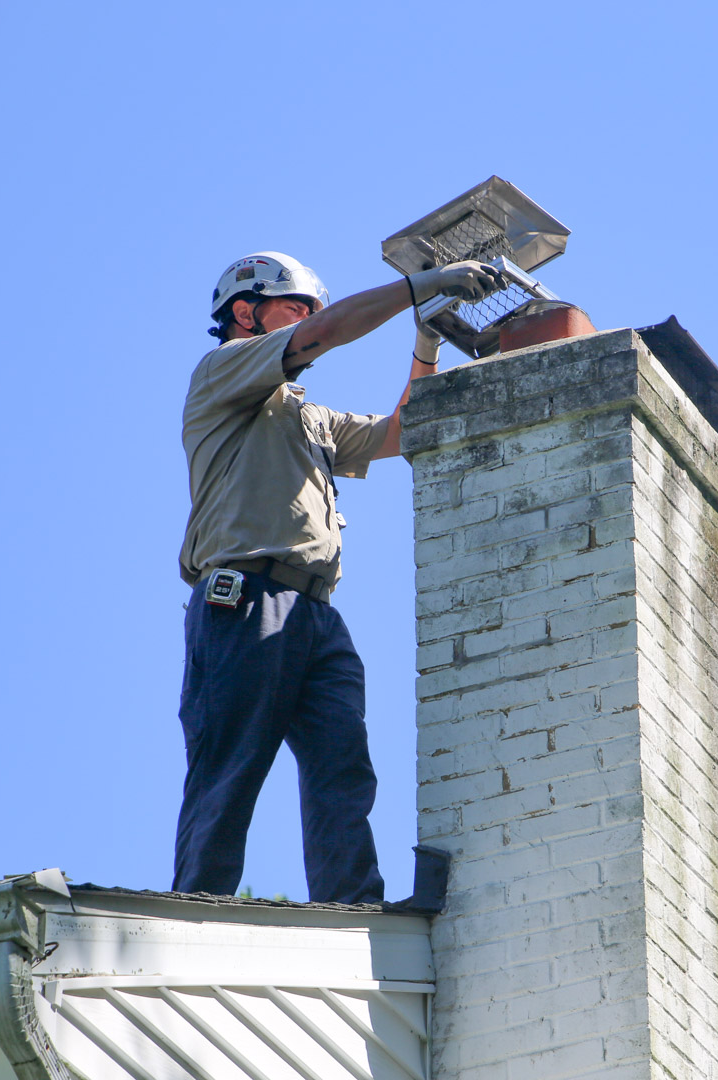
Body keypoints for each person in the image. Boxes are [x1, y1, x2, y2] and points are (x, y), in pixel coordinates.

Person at [173, 250, 506, 903]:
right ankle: (193, 915)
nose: (309, 318)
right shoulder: (223, 371)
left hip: (314, 614)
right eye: (295, 305)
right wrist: (416, 288)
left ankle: (353, 909)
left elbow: (404, 431)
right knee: (230, 767)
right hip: (246, 600)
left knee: (342, 769)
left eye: (309, 309)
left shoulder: (307, 416)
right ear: (245, 311)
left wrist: (425, 341)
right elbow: (326, 334)